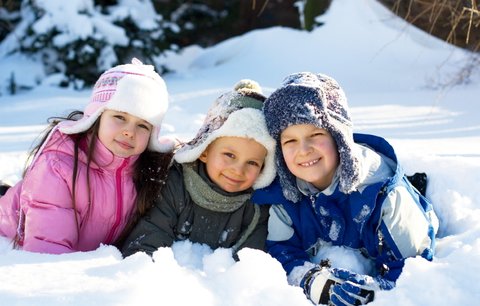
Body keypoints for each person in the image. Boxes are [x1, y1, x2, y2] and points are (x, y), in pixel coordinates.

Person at [251, 72, 439, 305]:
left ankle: (415, 188)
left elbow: (414, 267)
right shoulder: (285, 195)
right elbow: (281, 250)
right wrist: (309, 279)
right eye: (290, 141)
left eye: (316, 134)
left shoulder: (383, 194)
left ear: (339, 138)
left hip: (398, 219)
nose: (304, 149)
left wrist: (375, 292)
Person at [0, 58, 174, 254]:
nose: (129, 132)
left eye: (142, 125)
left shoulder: (145, 171)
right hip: (9, 219)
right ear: (97, 117)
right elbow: (47, 250)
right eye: (120, 117)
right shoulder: (58, 167)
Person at [121, 80, 276, 258]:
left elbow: (251, 264)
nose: (238, 170)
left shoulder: (256, 208)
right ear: (204, 151)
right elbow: (148, 238)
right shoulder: (176, 184)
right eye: (229, 155)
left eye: (252, 163)